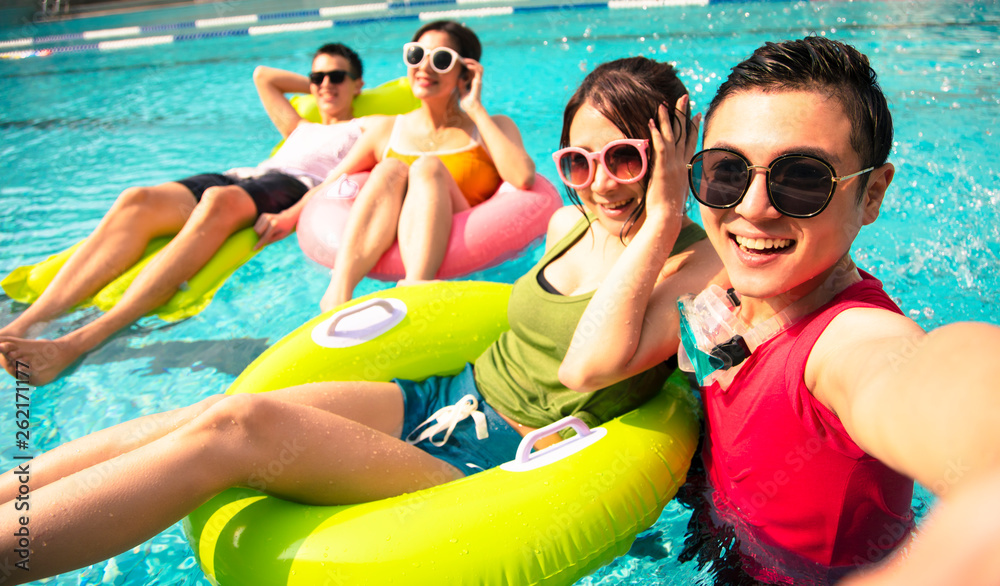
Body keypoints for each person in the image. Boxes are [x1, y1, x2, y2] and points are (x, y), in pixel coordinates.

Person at [0, 56, 720, 582]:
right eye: (580, 161)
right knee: (210, 411)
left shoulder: (691, 263)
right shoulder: (568, 220)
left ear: (669, 158)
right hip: (445, 396)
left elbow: (585, 367)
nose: (600, 184)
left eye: (626, 159)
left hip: (500, 462)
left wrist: (661, 217)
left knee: (238, 431)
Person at [562, 37, 1000, 585]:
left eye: (802, 178)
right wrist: (665, 213)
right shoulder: (727, 287)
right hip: (719, 539)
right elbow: (584, 368)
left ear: (872, 195)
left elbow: (929, 378)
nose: (752, 208)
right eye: (726, 172)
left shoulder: (842, 344)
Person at [0, 43, 367, 386]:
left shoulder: (363, 127)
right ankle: (26, 324)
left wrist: (342, 91)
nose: (324, 85)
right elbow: (263, 76)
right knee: (137, 199)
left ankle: (77, 343)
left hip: (291, 187)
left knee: (218, 201)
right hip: (242, 177)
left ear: (359, 84)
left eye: (337, 77)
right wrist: (325, 87)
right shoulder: (299, 128)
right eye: (318, 78)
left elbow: (392, 142)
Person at [267, 20, 536, 312]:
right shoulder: (387, 130)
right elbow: (330, 184)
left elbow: (522, 178)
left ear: (465, 72)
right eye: (416, 55)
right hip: (392, 231)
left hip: (463, 242)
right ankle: (338, 295)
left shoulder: (490, 128)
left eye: (442, 60)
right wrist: (285, 218)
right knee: (388, 169)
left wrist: (474, 107)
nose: (425, 67)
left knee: (427, 168)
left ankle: (415, 286)